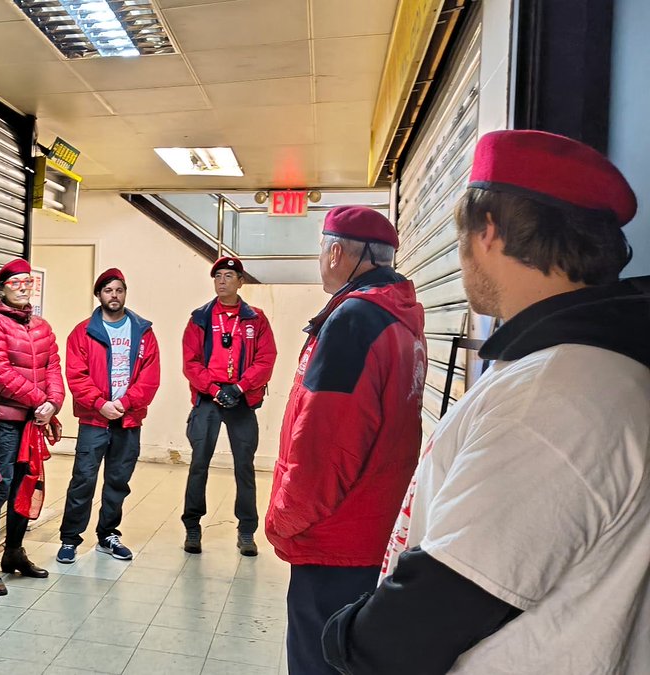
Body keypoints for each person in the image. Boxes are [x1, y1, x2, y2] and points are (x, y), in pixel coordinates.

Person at [323, 130, 650, 674]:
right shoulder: (585, 367)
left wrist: (343, 636)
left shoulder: (557, 397)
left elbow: (425, 618)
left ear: (489, 232)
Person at [263, 206, 426, 675]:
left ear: (336, 251)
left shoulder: (353, 322)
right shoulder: (402, 317)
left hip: (334, 535)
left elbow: (324, 445)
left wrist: (284, 519)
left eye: (320, 249)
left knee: (318, 658)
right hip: (372, 525)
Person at [57, 268, 161, 564]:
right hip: (94, 419)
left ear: (124, 293)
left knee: (118, 480)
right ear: (98, 295)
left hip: (128, 420)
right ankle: (69, 539)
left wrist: (126, 403)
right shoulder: (82, 332)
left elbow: (150, 377)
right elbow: (76, 375)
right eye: (108, 290)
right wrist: (99, 403)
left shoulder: (143, 331)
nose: (114, 295)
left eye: (119, 290)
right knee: (83, 479)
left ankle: (108, 535)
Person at [0, 258, 65, 594]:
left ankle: (13, 551)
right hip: (4, 425)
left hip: (33, 424)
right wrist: (38, 400)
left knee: (25, 490)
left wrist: (53, 403)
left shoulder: (42, 326)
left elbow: (53, 367)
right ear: (3, 289)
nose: (24, 287)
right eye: (16, 283)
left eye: (28, 282)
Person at [181, 256, 277, 555]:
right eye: (218, 276)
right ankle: (193, 526)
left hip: (241, 399)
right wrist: (212, 388)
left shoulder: (256, 319)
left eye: (228, 276)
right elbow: (191, 362)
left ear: (240, 282)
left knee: (244, 468)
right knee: (199, 465)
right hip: (208, 398)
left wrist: (238, 387)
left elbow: (266, 359)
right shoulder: (200, 317)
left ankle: (247, 531)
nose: (222, 281)